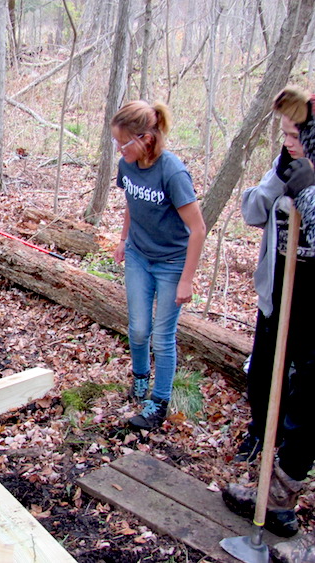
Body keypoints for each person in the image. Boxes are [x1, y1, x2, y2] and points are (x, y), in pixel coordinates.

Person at [223, 89, 315, 539]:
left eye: (296, 134)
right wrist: (280, 179)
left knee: (306, 395)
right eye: (284, 134)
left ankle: (282, 488)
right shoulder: (286, 165)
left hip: (314, 300)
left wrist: (310, 192)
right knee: (265, 374)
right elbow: (252, 212)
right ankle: (264, 456)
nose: (289, 142)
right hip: (279, 291)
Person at [111, 100, 207, 431]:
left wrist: (187, 280)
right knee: (138, 329)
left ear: (146, 140)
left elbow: (198, 229)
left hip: (171, 263)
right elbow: (130, 203)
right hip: (139, 254)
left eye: (122, 143)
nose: (118, 149)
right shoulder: (127, 165)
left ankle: (159, 402)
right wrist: (124, 240)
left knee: (162, 338)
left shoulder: (172, 172)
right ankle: (139, 380)